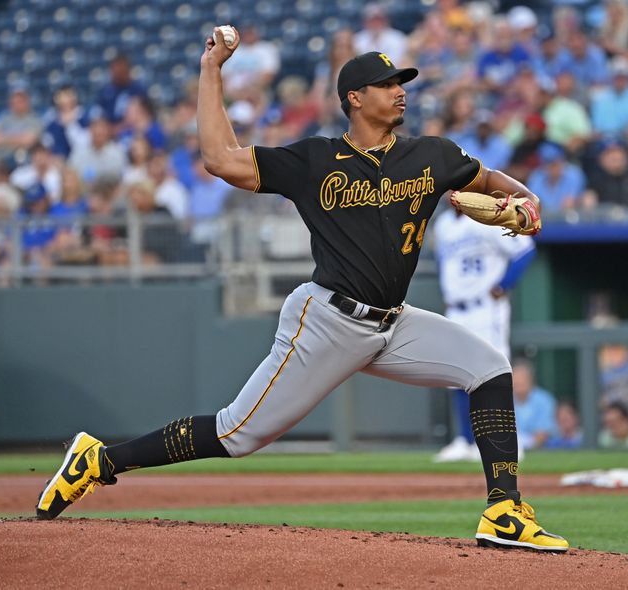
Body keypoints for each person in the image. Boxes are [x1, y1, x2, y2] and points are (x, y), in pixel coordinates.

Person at [34, 31, 569, 552]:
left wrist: (526, 203)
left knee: (490, 369)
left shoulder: (431, 155)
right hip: (327, 322)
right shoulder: (313, 160)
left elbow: (493, 180)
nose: (401, 90)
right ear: (354, 99)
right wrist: (211, 69)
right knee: (235, 434)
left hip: (393, 322)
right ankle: (100, 461)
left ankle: (504, 511)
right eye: (387, 83)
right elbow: (221, 158)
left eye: (401, 81)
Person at [432, 190, 536, 462]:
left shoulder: (488, 216)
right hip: (457, 308)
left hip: (485, 307)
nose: (450, 194)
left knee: (494, 373)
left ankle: (507, 440)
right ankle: (465, 442)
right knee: (456, 376)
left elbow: (525, 250)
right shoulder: (442, 225)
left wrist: (505, 284)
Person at [0, 81, 43, 158]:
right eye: (14, 99)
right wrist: (19, 139)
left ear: (27, 101)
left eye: (21, 100)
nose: (17, 103)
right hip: (2, 161)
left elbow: (28, 141)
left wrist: (1, 138)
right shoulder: (3, 118)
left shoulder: (35, 119)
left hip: (26, 161)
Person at [510, 358, 558, 451]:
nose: (517, 385)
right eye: (515, 382)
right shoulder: (506, 400)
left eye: (521, 381)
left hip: (541, 451)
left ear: (530, 380)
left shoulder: (544, 400)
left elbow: (542, 435)